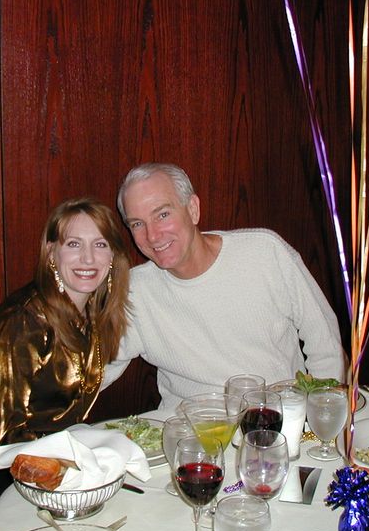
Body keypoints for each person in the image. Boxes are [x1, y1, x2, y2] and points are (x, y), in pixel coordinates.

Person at [0, 197, 131, 531]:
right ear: (50, 253)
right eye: (73, 244)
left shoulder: (93, 314)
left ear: (113, 256)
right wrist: (68, 473)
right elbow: (5, 434)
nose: (88, 258)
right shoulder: (21, 321)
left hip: (47, 456)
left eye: (100, 244)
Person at [102, 162, 346, 409]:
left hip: (273, 420)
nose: (152, 235)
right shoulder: (134, 290)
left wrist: (320, 418)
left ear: (193, 209)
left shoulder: (264, 253)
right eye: (137, 224)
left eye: (162, 214)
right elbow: (95, 372)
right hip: (187, 428)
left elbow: (325, 345)